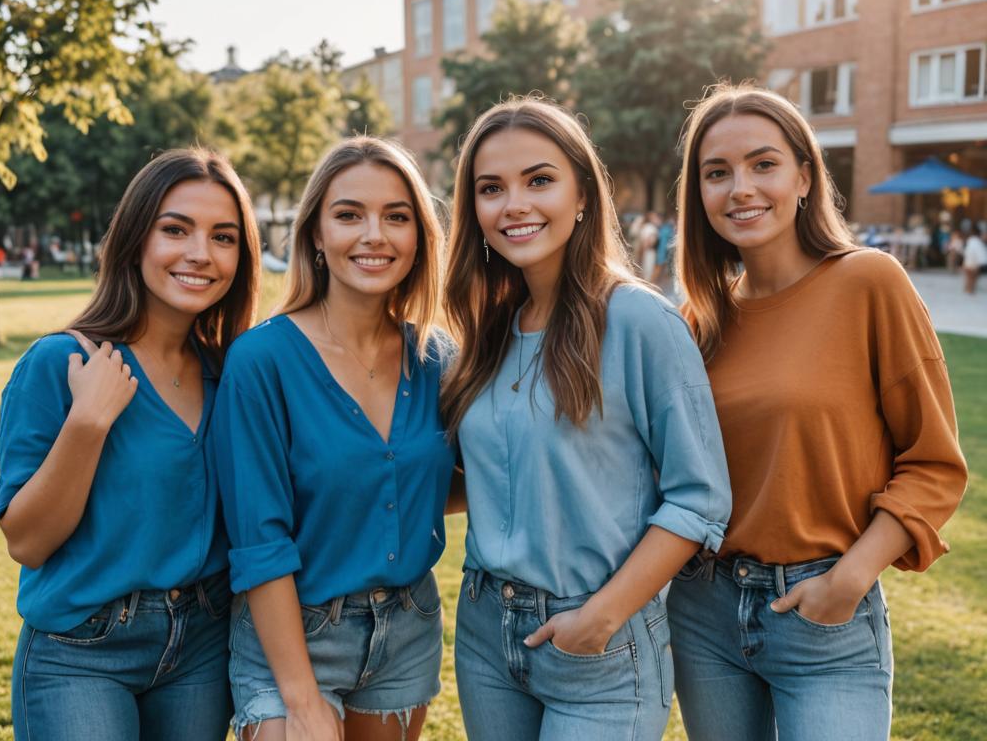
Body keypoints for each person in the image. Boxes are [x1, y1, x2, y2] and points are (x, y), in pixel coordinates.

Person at [670, 84, 967, 740]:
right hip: (704, 610)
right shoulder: (699, 321)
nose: (740, 188)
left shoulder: (869, 282)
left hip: (826, 605)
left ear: (804, 176)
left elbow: (934, 464)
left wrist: (850, 578)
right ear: (699, 195)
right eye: (717, 173)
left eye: (763, 164)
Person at [440, 97, 732, 741]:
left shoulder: (639, 321)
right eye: (492, 189)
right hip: (487, 634)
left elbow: (699, 498)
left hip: (599, 644)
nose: (514, 204)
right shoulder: (487, 333)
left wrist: (601, 616)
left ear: (581, 196)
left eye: (538, 180)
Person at [0, 148, 262, 741]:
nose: (200, 253)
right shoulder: (61, 363)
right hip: (81, 650)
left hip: (200, 644)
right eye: (175, 229)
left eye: (224, 236)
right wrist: (88, 422)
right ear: (135, 237)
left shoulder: (231, 374)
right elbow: (28, 542)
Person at [212, 137, 456, 741]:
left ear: (419, 237)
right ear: (316, 235)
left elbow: (442, 480)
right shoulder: (261, 360)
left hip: (406, 626)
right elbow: (257, 540)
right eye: (349, 215)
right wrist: (300, 698)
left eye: (396, 217)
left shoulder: (436, 359)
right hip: (292, 633)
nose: (374, 234)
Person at [962, 225, 987, 294]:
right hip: (973, 264)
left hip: (968, 262)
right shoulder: (976, 242)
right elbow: (981, 255)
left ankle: (968, 291)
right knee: (972, 279)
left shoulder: (971, 240)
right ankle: (970, 291)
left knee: (969, 279)